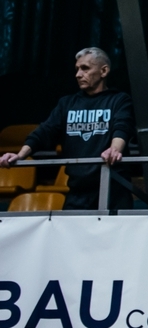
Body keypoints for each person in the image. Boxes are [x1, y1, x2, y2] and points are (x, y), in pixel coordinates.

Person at [1, 47, 134, 211]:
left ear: (104, 71)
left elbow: (122, 126)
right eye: (77, 69)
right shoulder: (67, 103)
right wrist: (20, 155)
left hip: (114, 191)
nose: (78, 74)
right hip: (78, 192)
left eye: (85, 68)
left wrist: (114, 149)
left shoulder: (119, 100)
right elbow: (45, 131)